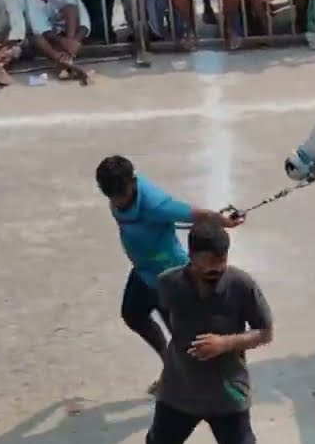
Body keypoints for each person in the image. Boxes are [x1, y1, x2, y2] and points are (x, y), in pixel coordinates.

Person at [123, 221, 277, 444]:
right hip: (177, 392)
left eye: (221, 262)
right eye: (208, 265)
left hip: (227, 395)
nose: (216, 270)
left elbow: (265, 332)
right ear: (191, 257)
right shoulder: (168, 284)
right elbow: (142, 313)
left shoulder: (240, 285)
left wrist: (226, 343)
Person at [96, 154, 242, 392]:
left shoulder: (155, 204)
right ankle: (171, 366)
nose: (118, 201)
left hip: (170, 276)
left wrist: (223, 220)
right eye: (112, 196)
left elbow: (194, 215)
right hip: (144, 272)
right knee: (133, 315)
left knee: (186, 337)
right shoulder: (117, 193)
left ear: (132, 183)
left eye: (121, 194)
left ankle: (219, 382)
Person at [21, 0, 91, 82]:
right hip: (46, 37)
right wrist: (62, 42)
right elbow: (40, 30)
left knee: (70, 7)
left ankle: (67, 59)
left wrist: (73, 41)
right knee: (36, 37)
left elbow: (84, 19)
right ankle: (60, 59)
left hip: (68, 32)